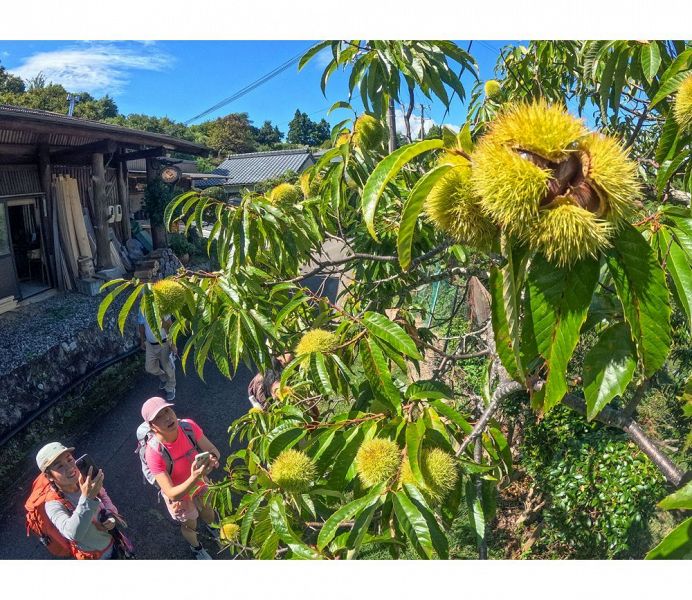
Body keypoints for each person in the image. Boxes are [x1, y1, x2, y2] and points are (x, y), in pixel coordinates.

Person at [141, 396, 221, 560]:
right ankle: (197, 548)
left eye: (167, 411)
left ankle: (214, 529)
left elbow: (213, 450)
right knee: (190, 524)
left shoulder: (188, 427)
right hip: (180, 496)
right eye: (159, 417)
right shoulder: (154, 452)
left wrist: (212, 459)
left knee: (208, 509)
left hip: (200, 481)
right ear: (152, 426)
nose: (168, 418)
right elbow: (171, 493)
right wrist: (194, 477)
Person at [34, 442, 128, 559]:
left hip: (115, 540)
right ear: (49, 476)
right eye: (59, 466)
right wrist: (87, 498)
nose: (69, 468)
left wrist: (110, 514)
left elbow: (103, 496)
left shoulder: (83, 477)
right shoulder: (53, 504)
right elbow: (72, 533)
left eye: (69, 459)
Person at [138, 306, 176, 401]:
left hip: (163, 343)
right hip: (150, 345)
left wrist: (173, 344)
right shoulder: (142, 308)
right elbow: (141, 325)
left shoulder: (162, 307)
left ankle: (170, 387)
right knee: (149, 367)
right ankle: (163, 377)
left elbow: (169, 325)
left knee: (167, 366)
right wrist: (142, 341)